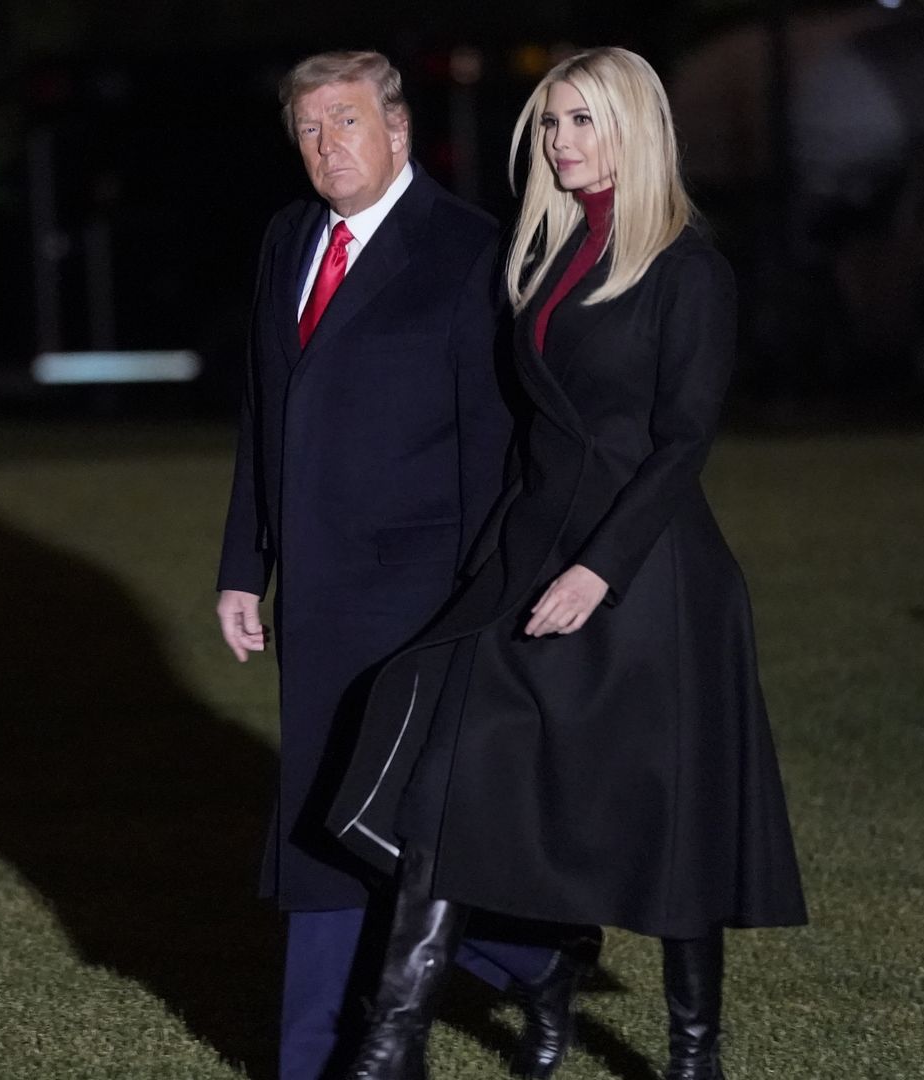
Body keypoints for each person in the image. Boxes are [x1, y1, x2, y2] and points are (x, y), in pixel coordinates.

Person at [326, 47, 809, 1080]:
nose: (561, 142)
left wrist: (601, 570)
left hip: (651, 576)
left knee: (668, 816)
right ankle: (397, 1041)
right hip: (529, 552)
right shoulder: (542, 255)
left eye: (583, 121)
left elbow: (683, 442)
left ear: (636, 128)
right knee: (450, 774)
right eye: (550, 124)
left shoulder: (688, 268)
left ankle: (693, 1056)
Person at [216, 50, 587, 1080]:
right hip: (316, 597)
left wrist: (485, 601)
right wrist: (244, 562)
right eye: (308, 128)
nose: (326, 144)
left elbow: (496, 442)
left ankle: (493, 969)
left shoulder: (469, 249)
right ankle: (506, 966)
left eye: (345, 121)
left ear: (398, 132)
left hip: (423, 595)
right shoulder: (288, 239)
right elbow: (266, 412)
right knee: (323, 817)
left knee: (386, 822)